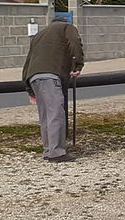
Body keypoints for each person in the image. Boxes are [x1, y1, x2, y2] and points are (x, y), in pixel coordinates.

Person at [22, 16, 84, 163]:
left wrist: (29, 88)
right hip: (51, 75)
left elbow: (28, 59)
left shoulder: (39, 35)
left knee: (45, 115)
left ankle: (49, 150)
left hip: (34, 77)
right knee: (56, 112)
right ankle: (57, 153)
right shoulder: (67, 28)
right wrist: (78, 65)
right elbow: (75, 43)